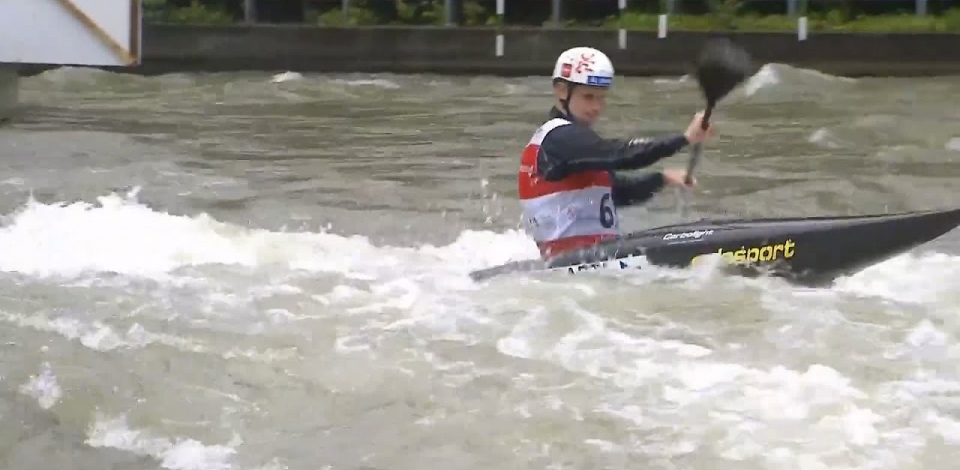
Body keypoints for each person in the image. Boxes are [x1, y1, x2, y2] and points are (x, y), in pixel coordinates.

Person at [518, 46, 717, 260]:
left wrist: (662, 178)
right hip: (567, 264)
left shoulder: (578, 148)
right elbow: (622, 154)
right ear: (561, 90)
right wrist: (684, 139)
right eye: (588, 97)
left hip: (592, 261)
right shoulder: (559, 137)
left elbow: (619, 194)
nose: (596, 107)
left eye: (601, 98)